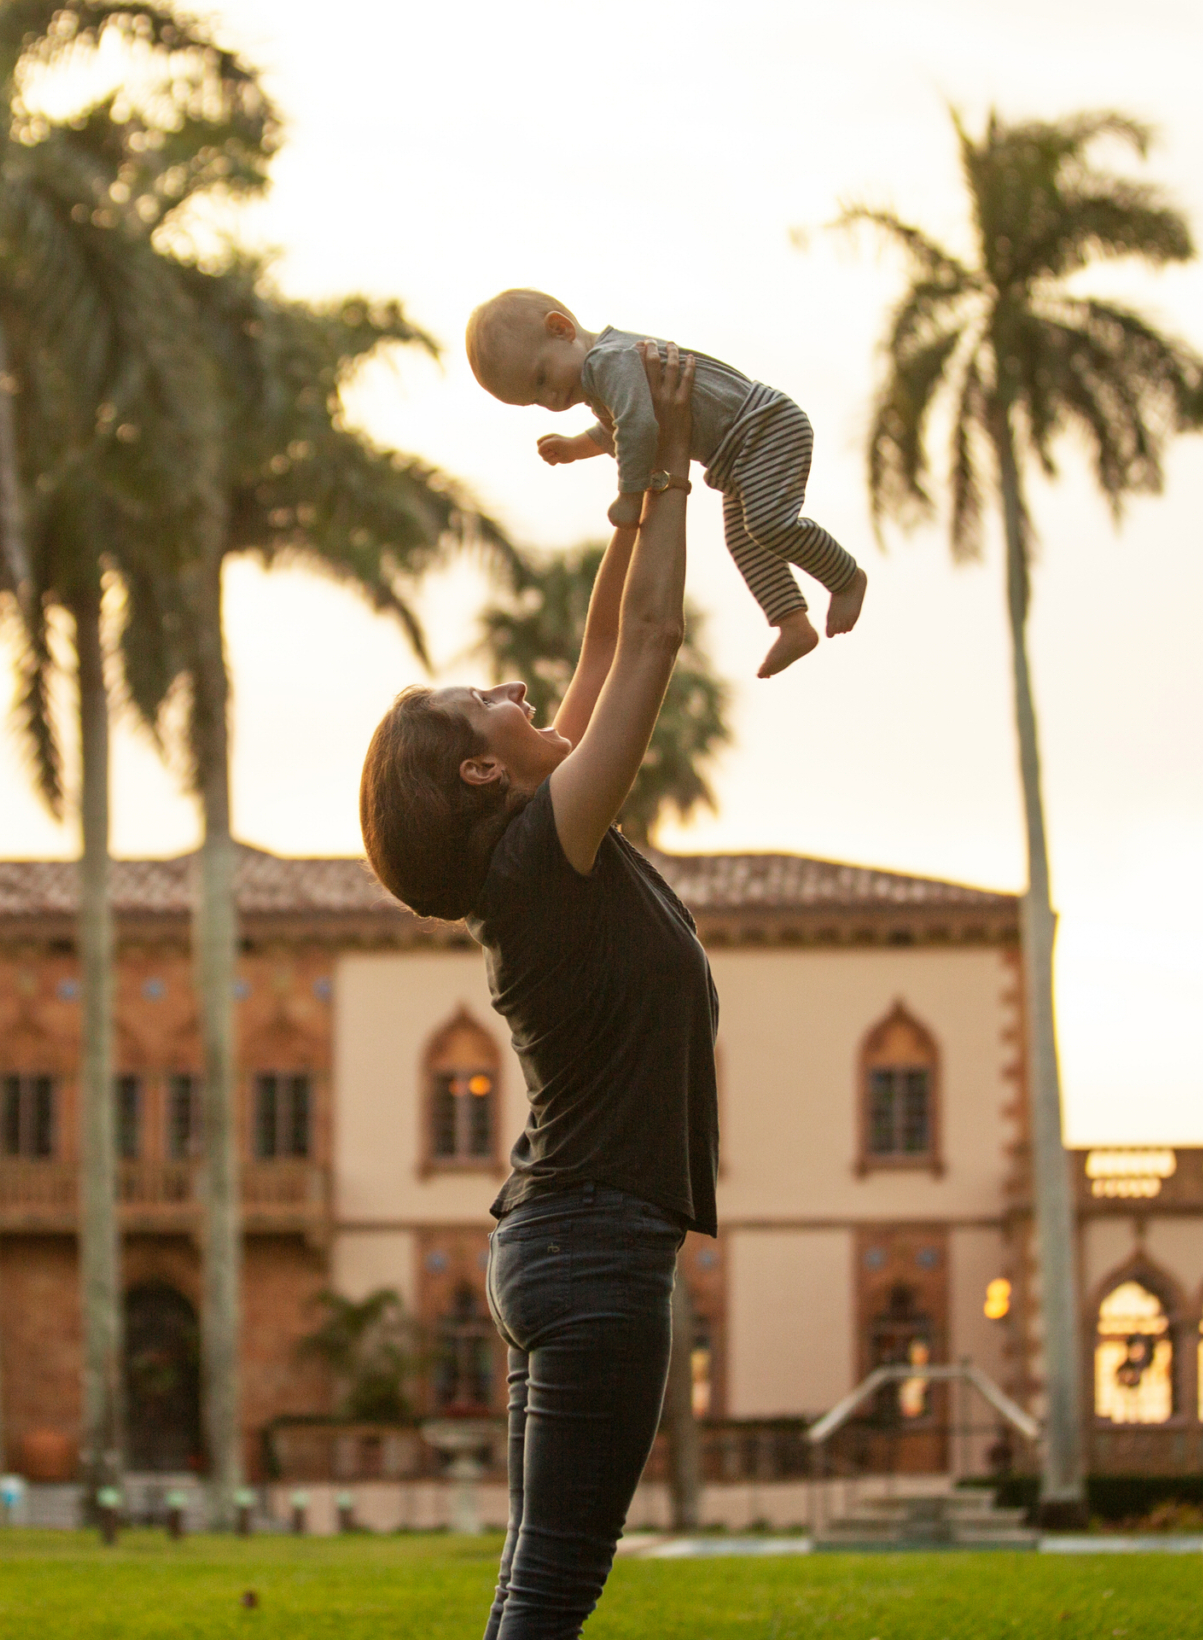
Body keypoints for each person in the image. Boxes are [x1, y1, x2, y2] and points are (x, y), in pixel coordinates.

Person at [359, 341, 712, 1638]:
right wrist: (671, 468)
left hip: (564, 1236)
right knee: (553, 1588)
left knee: (538, 1583)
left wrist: (632, 499)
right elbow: (657, 644)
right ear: (478, 775)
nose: (513, 688)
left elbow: (610, 632)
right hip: (595, 1244)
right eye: (483, 702)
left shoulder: (533, 848)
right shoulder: (546, 854)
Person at [464, 286, 866, 678]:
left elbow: (638, 428)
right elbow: (620, 428)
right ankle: (792, 623)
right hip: (737, 452)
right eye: (535, 400)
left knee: (766, 524)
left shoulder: (608, 360)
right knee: (744, 537)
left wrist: (630, 495)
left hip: (763, 427)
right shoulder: (601, 377)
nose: (550, 399)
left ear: (561, 329)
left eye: (541, 379)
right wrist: (573, 448)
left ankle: (845, 577)